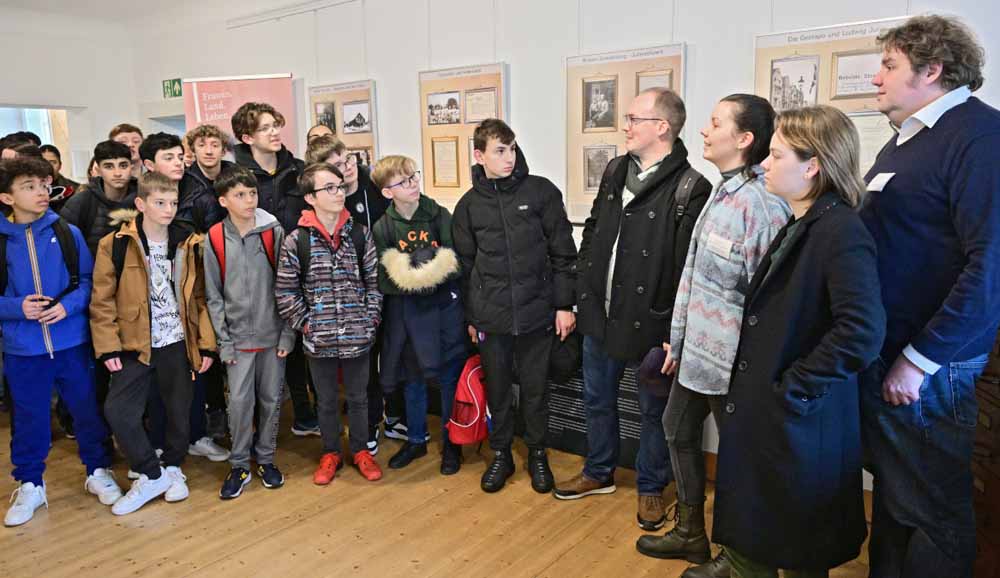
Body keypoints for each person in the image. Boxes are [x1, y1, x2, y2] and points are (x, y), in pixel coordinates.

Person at [707, 105, 886, 577]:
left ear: (813, 166)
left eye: (777, 155)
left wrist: (795, 387)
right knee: (767, 541)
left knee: (798, 551)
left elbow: (861, 332)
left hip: (800, 420)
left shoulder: (840, 231)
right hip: (776, 417)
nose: (764, 163)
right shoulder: (803, 222)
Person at [859, 16, 1000, 578]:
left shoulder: (979, 137)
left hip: (927, 368)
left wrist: (919, 361)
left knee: (934, 512)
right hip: (891, 353)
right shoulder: (907, 141)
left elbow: (990, 267)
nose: (876, 79)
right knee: (898, 502)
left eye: (890, 66)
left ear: (933, 69)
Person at [635, 94, 789, 577]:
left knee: (741, 460)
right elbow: (694, 278)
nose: (703, 130)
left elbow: (767, 300)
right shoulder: (722, 193)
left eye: (715, 123)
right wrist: (676, 341)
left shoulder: (763, 205)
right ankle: (692, 534)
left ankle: (741, 558)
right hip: (694, 354)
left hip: (734, 362)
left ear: (744, 139)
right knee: (677, 429)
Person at [555, 89, 711, 521]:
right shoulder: (615, 170)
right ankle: (598, 471)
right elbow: (594, 231)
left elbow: (687, 268)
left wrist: (672, 334)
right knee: (596, 399)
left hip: (652, 322)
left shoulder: (691, 187)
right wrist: (580, 288)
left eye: (633, 118)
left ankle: (650, 485)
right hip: (599, 314)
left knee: (652, 412)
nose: (625, 126)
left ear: (661, 127)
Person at [452, 118, 577, 494]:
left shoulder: (541, 193)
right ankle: (502, 454)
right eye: (499, 151)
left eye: (512, 149)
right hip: (491, 318)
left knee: (537, 390)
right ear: (479, 155)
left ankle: (538, 454)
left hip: (538, 313)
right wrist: (473, 318)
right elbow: (465, 268)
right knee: (499, 391)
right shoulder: (469, 206)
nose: (509, 158)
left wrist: (564, 305)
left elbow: (564, 255)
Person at [0, 157, 122, 527]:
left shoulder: (66, 232)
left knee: (86, 409)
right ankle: (30, 483)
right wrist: (15, 307)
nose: (41, 193)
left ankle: (98, 470)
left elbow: (88, 282)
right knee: (30, 417)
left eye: (43, 184)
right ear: (7, 197)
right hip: (24, 350)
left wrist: (67, 308)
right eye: (29, 186)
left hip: (72, 343)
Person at [89, 171, 216, 515]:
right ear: (141, 204)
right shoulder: (114, 244)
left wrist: (205, 345)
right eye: (160, 203)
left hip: (178, 341)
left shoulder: (189, 242)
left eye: (173, 202)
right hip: (134, 344)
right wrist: (108, 347)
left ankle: (173, 467)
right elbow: (102, 302)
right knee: (119, 410)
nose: (168, 209)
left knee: (179, 411)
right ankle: (151, 471)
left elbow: (201, 298)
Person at [275, 162, 384, 484]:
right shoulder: (297, 241)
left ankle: (362, 450)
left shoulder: (360, 235)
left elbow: (375, 284)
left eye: (340, 186)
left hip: (358, 336)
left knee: (359, 398)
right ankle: (331, 451)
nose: (339, 193)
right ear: (310, 197)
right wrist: (307, 324)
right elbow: (285, 290)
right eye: (330, 188)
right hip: (318, 339)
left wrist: (369, 320)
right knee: (324, 400)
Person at [305, 134, 403, 452]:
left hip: (381, 288)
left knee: (390, 358)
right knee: (360, 375)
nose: (347, 168)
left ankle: (389, 416)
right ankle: (366, 428)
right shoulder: (327, 203)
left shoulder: (371, 184)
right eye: (338, 165)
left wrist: (372, 313)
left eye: (349, 159)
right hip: (339, 303)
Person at [370, 155, 465, 474]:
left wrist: (414, 268)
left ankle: (453, 441)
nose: (413, 184)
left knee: (449, 376)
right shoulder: (383, 227)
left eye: (414, 177)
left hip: (443, 310)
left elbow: (455, 261)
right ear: (387, 192)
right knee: (413, 379)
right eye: (403, 181)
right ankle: (416, 438)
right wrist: (426, 265)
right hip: (407, 314)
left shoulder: (438, 214)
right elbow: (385, 279)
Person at [204, 166, 295, 499]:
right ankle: (240, 463)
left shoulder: (274, 232)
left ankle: (266, 459)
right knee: (240, 404)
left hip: (273, 337)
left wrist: (287, 334)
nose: (248, 200)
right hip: (237, 341)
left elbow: (288, 287)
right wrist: (223, 343)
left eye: (252, 193)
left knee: (271, 401)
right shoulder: (213, 238)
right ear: (224, 200)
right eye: (239, 195)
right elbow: (213, 296)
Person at [139, 132, 230, 464]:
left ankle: (195, 435)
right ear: (149, 165)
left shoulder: (198, 192)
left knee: (195, 372)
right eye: (169, 157)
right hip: (153, 312)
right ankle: (159, 445)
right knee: (158, 385)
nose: (177, 162)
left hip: (191, 302)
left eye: (180, 156)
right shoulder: (140, 210)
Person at [232, 102, 317, 438]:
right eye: (266, 128)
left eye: (276, 125)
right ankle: (256, 427)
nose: (274, 132)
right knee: (263, 346)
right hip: (255, 272)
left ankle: (304, 410)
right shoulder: (236, 175)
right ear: (247, 136)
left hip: (300, 268)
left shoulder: (297, 169)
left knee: (297, 338)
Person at [61, 141, 138, 257]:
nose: (117, 173)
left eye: (123, 165)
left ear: (131, 167)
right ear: (98, 170)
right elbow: (65, 247)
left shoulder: (144, 199)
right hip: (92, 272)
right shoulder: (81, 202)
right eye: (109, 166)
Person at [181, 124, 233, 233]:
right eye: (201, 145)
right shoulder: (183, 182)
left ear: (223, 151)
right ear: (193, 150)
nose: (208, 151)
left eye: (215, 145)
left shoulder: (236, 176)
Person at [39, 144, 79, 213]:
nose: (49, 166)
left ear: (60, 165)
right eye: (43, 162)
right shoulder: (31, 191)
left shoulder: (75, 189)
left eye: (53, 162)